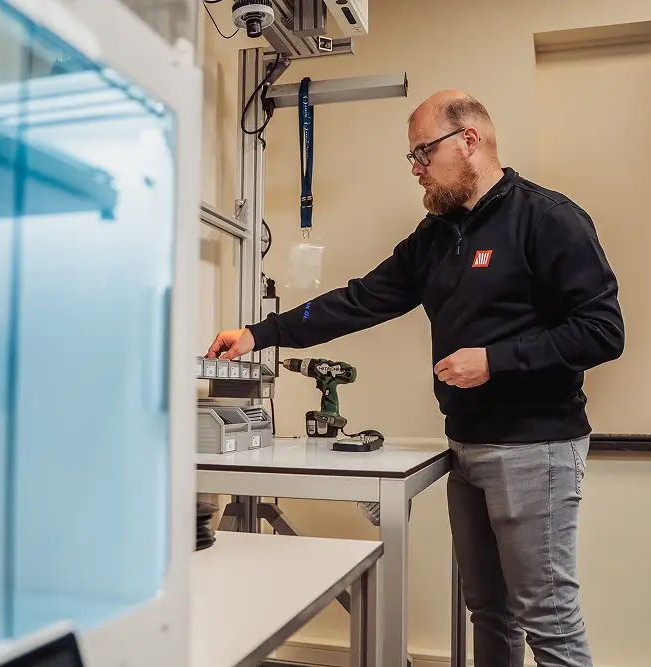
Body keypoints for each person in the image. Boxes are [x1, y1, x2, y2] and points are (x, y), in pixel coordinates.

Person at [206, 90, 625, 666]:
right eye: (413, 157)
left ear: (470, 141)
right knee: (488, 609)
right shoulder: (435, 238)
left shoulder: (548, 219)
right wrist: (259, 333)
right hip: (467, 446)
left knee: (547, 618)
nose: (417, 168)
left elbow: (603, 331)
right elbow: (359, 300)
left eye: (423, 152)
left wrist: (496, 359)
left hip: (537, 446)